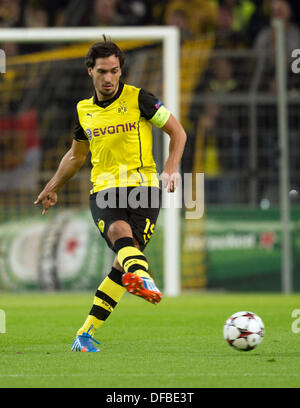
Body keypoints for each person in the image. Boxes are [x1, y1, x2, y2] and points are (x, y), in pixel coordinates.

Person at [34, 36, 187, 352]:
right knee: (120, 235)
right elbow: (76, 156)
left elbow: (177, 131)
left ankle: (85, 334)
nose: (109, 78)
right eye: (102, 71)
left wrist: (171, 166)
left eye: (114, 71)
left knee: (122, 262)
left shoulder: (140, 100)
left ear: (121, 71)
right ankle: (143, 277)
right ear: (90, 71)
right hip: (104, 189)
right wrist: (52, 187)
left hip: (144, 189)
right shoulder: (83, 110)